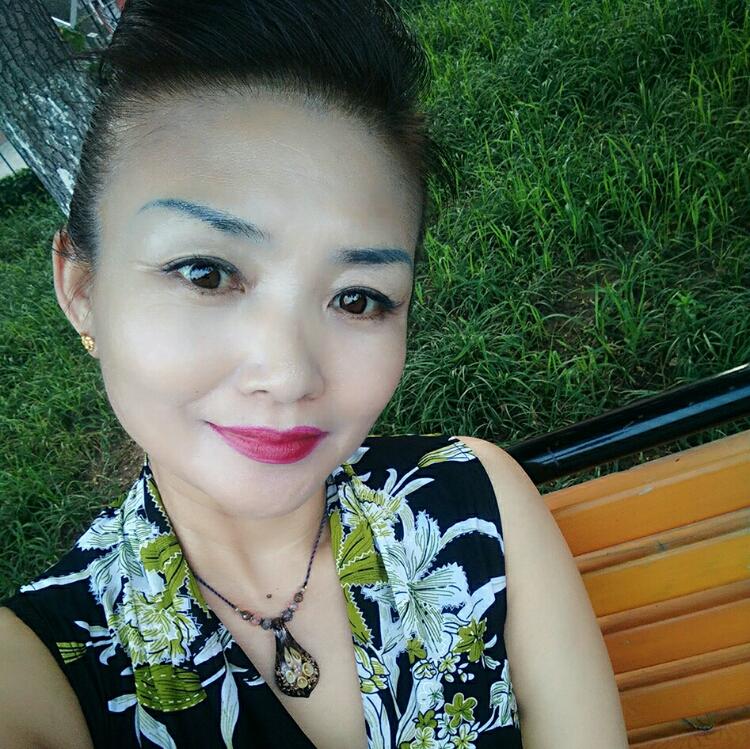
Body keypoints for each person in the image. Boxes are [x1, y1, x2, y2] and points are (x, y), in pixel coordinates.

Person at [0, 1, 628, 747]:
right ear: (82, 289)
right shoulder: (39, 663)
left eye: (357, 298)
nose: (290, 374)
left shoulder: (474, 505)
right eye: (206, 273)